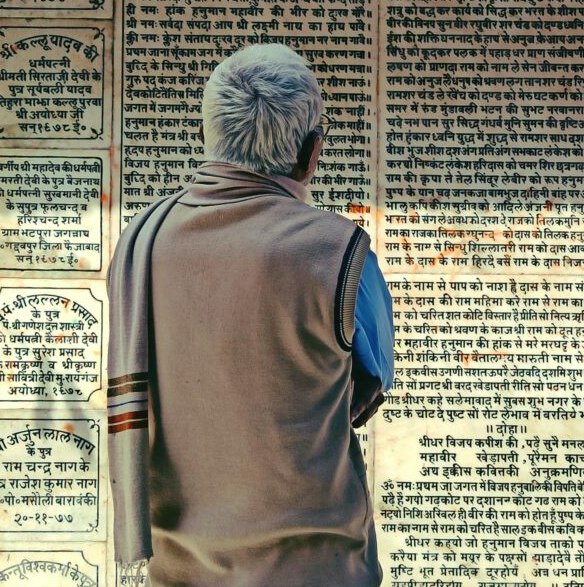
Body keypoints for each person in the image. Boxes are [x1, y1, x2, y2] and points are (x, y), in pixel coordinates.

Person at [106, 43, 393, 587]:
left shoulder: (140, 241)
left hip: (180, 568)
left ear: (206, 141)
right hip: (321, 569)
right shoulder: (341, 250)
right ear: (312, 154)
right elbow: (369, 387)